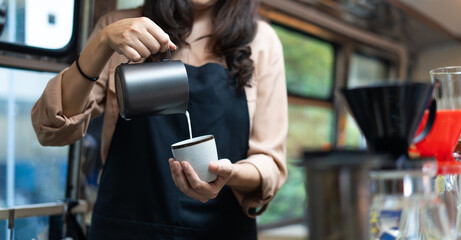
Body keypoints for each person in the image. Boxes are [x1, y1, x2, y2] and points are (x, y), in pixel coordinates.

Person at [31, 0, 288, 239]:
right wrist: (102, 43)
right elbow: (52, 130)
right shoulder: (119, 28)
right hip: (124, 226)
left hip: (219, 229)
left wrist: (229, 174)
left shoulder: (262, 41)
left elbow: (269, 164)